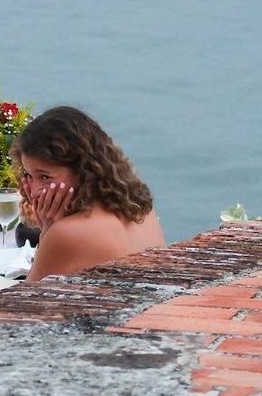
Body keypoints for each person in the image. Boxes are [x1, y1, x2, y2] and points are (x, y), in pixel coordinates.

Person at [13, 105, 164, 281]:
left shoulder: (66, 233)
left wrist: (47, 232)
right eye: (28, 176)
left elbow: (27, 300)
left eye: (45, 177)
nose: (35, 191)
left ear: (82, 171)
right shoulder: (141, 208)